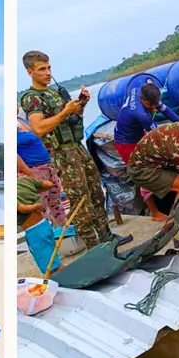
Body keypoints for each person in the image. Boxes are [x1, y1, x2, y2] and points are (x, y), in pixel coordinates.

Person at [19, 50, 113, 250]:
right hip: (62, 153)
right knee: (80, 200)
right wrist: (65, 111)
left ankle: (107, 237)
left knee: (96, 192)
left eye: (49, 67)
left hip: (76, 147)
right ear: (30, 72)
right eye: (42, 69)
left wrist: (81, 104)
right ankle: (94, 247)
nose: (47, 73)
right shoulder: (31, 98)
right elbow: (38, 128)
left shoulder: (53, 92)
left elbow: (72, 118)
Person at [17, 104, 66, 227]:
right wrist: (30, 173)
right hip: (32, 169)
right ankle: (45, 234)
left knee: (56, 201)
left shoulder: (21, 120)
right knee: (40, 205)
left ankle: (63, 230)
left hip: (47, 166)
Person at [113, 81, 179, 164]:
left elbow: (165, 110)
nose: (154, 107)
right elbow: (158, 135)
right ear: (143, 100)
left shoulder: (137, 90)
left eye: (155, 104)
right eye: (151, 105)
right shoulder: (142, 115)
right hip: (125, 142)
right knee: (136, 168)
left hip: (136, 130)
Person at [17, 176, 63, 274]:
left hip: (34, 232)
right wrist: (36, 191)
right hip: (44, 225)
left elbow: (22, 208)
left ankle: (65, 281)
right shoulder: (26, 181)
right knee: (53, 259)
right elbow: (49, 184)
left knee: (50, 267)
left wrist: (36, 206)